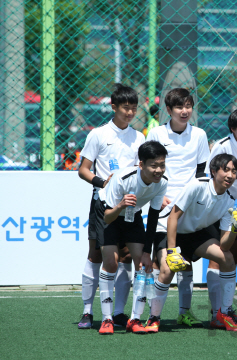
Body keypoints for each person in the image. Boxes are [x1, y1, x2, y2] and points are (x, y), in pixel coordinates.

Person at [146, 154, 237, 332]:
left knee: (227, 257)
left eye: (234, 171)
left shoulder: (230, 199)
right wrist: (172, 251)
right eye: (226, 170)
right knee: (168, 268)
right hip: (168, 227)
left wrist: (235, 228)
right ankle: (153, 318)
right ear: (214, 172)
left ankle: (222, 314)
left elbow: (224, 245)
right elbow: (173, 217)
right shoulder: (197, 185)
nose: (230, 175)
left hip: (194, 232)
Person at [77, 84, 145, 330]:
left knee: (125, 257)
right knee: (96, 255)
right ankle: (87, 311)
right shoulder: (98, 134)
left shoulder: (140, 137)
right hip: (103, 203)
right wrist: (101, 181)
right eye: (126, 108)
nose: (130, 113)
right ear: (114, 107)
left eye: (134, 108)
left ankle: (118, 312)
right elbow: (83, 170)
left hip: (129, 205)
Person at [146, 88, 210, 328]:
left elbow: (202, 171)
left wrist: (196, 197)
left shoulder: (200, 135)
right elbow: (146, 167)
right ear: (169, 110)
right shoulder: (155, 132)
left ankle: (185, 312)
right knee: (165, 265)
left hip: (191, 209)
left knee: (187, 261)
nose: (185, 112)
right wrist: (157, 194)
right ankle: (153, 315)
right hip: (163, 210)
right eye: (179, 107)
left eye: (188, 106)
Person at [94, 140, 170, 335]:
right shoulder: (123, 178)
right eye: (154, 165)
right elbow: (107, 215)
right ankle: (107, 319)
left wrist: (147, 252)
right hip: (109, 213)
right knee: (110, 263)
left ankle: (134, 319)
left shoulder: (162, 183)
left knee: (145, 266)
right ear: (141, 165)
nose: (158, 170)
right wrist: (120, 205)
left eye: (162, 164)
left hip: (132, 215)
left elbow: (153, 217)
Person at [203, 108, 237, 326]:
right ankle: (216, 311)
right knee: (218, 254)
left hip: (234, 204)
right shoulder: (222, 146)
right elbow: (211, 177)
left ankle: (221, 310)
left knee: (231, 254)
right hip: (217, 204)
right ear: (232, 129)